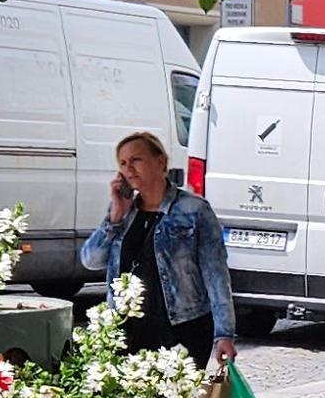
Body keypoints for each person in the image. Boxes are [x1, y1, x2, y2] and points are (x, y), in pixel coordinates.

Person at [79, 131, 235, 364]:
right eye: (123, 163)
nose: (129, 169)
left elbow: (216, 274)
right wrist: (115, 216)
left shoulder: (194, 210)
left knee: (177, 388)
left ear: (160, 161)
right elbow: (90, 260)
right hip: (127, 329)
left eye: (136, 160)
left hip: (183, 327)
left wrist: (224, 334)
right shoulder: (123, 212)